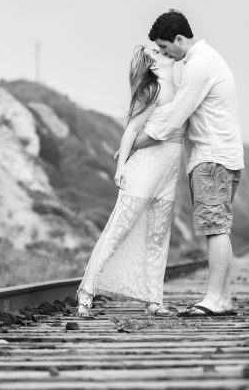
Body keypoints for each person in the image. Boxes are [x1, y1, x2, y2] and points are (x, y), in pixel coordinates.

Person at [131, 9, 245, 317]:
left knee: (215, 228)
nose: (165, 54)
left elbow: (174, 117)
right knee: (218, 227)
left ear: (180, 39)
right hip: (222, 156)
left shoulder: (198, 66)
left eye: (165, 47)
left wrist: (134, 143)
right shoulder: (209, 59)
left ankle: (215, 300)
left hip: (211, 158)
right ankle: (222, 297)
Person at [76, 44, 184, 317]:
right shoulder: (153, 90)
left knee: (158, 238)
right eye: (158, 53)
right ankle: (86, 292)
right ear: (153, 65)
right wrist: (120, 167)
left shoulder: (182, 88)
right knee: (117, 231)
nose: (165, 52)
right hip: (143, 171)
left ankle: (154, 300)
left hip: (168, 174)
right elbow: (132, 129)